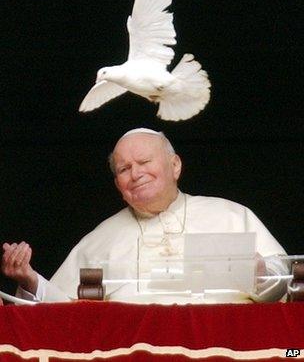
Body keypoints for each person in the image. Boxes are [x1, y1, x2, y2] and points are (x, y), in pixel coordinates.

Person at [1, 128, 288, 303]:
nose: (135, 173)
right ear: (118, 185)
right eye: (124, 169)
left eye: (144, 162)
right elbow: (64, 312)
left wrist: (261, 275)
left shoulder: (231, 215)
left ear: (174, 165)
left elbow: (288, 285)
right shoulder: (100, 239)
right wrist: (30, 280)